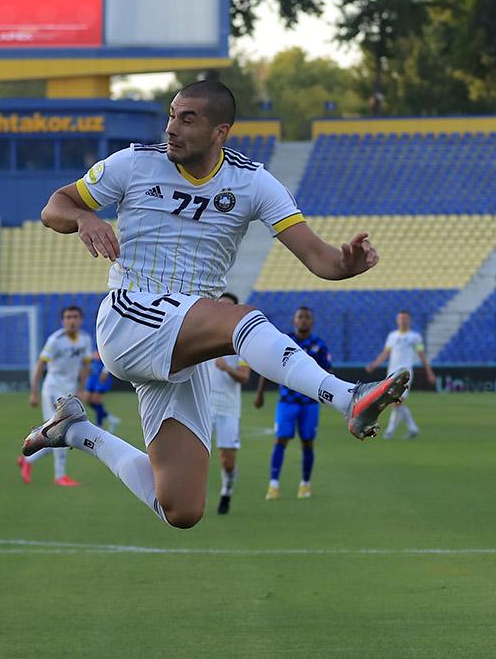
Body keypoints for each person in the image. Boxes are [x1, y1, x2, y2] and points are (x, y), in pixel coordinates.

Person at [21, 79, 409, 530]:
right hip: (130, 317)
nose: (172, 127)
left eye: (188, 119)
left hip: (185, 340)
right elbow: (55, 206)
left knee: (181, 509)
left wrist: (347, 264)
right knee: (240, 320)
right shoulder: (133, 164)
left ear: (220, 131)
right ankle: (348, 397)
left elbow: (320, 258)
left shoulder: (251, 182)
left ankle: (74, 430)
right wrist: (85, 217)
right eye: (171, 114)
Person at [253, 306, 332, 500]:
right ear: (294, 321)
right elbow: (268, 366)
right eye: (300, 317)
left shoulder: (319, 345)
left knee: (307, 442)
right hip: (287, 401)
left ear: (312, 322)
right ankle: (273, 485)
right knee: (281, 440)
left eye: (307, 317)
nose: (304, 320)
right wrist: (260, 393)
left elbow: (328, 373)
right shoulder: (285, 342)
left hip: (309, 403)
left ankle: (305, 484)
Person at [19, 306, 92, 487]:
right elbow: (40, 366)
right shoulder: (55, 340)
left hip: (69, 392)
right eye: (68, 317)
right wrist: (34, 392)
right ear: (63, 321)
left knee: (55, 434)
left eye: (75, 317)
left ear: (81, 320)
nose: (72, 320)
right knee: (58, 432)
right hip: (52, 389)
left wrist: (82, 389)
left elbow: (85, 367)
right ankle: (60, 476)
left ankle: (26, 460)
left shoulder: (85, 339)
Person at [204, 292, 250, 514]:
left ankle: (227, 490)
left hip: (229, 407)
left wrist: (227, 369)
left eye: (228, 307)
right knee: (195, 455)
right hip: (203, 406)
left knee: (228, 461)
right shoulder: (200, 336)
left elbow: (245, 377)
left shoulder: (240, 344)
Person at [366, 310, 436, 440]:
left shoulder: (415, 337)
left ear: (409, 320)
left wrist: (429, 372)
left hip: (405, 373)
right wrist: (374, 364)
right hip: (392, 373)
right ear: (397, 320)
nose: (403, 320)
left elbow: (422, 355)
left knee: (397, 401)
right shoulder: (392, 336)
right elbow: (385, 353)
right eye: (400, 318)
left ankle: (390, 431)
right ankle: (412, 428)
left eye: (405, 318)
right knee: (395, 402)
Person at [83, 349, 121, 433]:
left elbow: (109, 353)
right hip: (93, 374)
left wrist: (105, 371)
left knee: (96, 401)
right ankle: (111, 418)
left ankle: (99, 424)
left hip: (101, 373)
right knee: (88, 401)